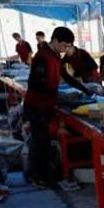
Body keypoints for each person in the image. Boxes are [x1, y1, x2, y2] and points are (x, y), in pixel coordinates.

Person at [23, 27, 92, 188]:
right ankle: (37, 177)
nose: (65, 49)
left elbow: (65, 76)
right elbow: (35, 83)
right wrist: (56, 95)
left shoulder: (54, 55)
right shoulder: (42, 56)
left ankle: (42, 174)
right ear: (55, 40)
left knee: (45, 140)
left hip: (46, 104)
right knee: (40, 141)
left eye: (68, 46)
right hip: (37, 106)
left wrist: (84, 89)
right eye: (64, 45)